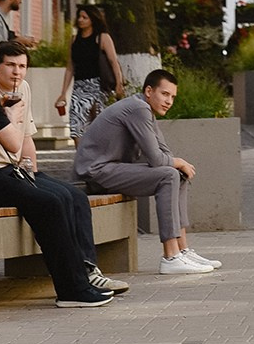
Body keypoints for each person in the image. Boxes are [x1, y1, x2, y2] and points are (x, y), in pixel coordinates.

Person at [0, 28, 113, 308]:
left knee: (57, 198)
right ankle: (72, 290)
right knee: (51, 203)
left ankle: (79, 282)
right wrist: (11, 114)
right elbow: (12, 145)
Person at [0, 40, 130, 296]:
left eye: (22, 66)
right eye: (10, 65)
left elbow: (27, 136)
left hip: (19, 169)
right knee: (56, 199)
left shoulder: (24, 89)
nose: (17, 72)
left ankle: (89, 269)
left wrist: (34, 172)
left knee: (76, 196)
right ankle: (73, 278)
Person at [73, 69, 221, 276]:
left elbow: (163, 150)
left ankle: (182, 250)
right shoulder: (138, 108)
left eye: (173, 97)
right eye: (165, 94)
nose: (169, 101)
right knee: (169, 174)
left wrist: (178, 165)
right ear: (149, 91)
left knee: (177, 174)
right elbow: (157, 159)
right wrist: (177, 162)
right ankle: (170, 257)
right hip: (95, 172)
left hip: (111, 168)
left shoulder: (145, 109)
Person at [55, 4, 124, 139]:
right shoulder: (74, 40)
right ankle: (81, 157)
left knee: (99, 122)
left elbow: (113, 62)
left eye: (84, 17)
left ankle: (100, 155)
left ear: (92, 19)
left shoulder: (102, 37)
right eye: (79, 17)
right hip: (79, 86)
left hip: (99, 85)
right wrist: (63, 93)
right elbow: (70, 67)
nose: (80, 20)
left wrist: (119, 83)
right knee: (76, 122)